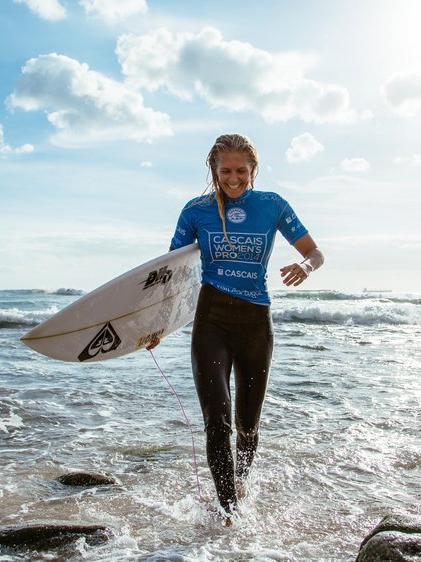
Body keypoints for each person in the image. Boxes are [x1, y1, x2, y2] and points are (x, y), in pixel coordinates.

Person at [157, 133, 324, 523]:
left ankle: (241, 483)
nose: (233, 179)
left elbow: (314, 251)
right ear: (214, 170)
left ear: (253, 171)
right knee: (217, 422)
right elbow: (171, 272)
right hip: (211, 319)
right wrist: (153, 326)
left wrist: (305, 266)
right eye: (225, 171)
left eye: (241, 171)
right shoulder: (195, 211)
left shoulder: (272, 205)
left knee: (248, 426)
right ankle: (228, 509)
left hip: (254, 323)